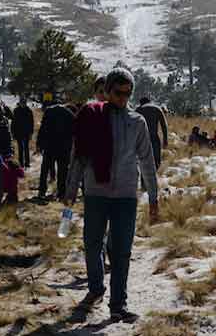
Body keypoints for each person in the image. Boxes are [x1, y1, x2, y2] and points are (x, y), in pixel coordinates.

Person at [65, 68, 159, 323]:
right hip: (96, 192)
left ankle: (118, 304)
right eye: (118, 93)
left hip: (126, 195)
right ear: (107, 91)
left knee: (122, 251)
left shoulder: (137, 122)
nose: (123, 98)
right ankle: (96, 288)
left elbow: (147, 161)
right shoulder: (91, 116)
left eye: (128, 94)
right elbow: (79, 156)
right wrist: (71, 191)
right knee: (92, 243)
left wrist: (153, 197)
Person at [37, 100, 76, 200]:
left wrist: (39, 144)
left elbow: (42, 129)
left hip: (49, 146)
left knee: (45, 169)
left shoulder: (48, 112)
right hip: (64, 147)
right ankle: (61, 192)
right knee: (63, 170)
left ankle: (42, 191)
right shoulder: (69, 114)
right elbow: (74, 131)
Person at [136, 95, 169, 169]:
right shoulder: (157, 108)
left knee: (143, 162)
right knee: (156, 161)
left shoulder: (138, 109)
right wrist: (165, 140)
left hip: (142, 139)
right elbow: (164, 125)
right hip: (154, 138)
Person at [12, 96, 35, 168]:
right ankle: (21, 163)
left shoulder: (29, 111)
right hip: (18, 132)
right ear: (20, 103)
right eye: (22, 103)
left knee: (26, 148)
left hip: (26, 132)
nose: (23, 104)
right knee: (20, 148)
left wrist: (31, 132)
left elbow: (31, 122)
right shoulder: (16, 111)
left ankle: (27, 163)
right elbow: (13, 122)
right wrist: (13, 133)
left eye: (24, 103)